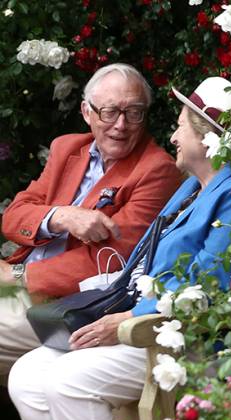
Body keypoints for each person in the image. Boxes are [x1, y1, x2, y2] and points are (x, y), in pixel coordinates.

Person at [8, 76, 231, 420]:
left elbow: (208, 285)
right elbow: (143, 261)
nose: (174, 135)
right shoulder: (190, 186)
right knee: (26, 377)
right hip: (135, 319)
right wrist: (103, 299)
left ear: (206, 138)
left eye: (181, 125)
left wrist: (124, 318)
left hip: (173, 338)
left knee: (66, 381)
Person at [0, 63, 183, 377]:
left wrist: (19, 277)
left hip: (69, 302)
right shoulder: (67, 148)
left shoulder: (157, 170)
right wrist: (61, 215)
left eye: (134, 113)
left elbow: (111, 259)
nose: (121, 125)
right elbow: (15, 216)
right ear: (87, 112)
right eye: (109, 112)